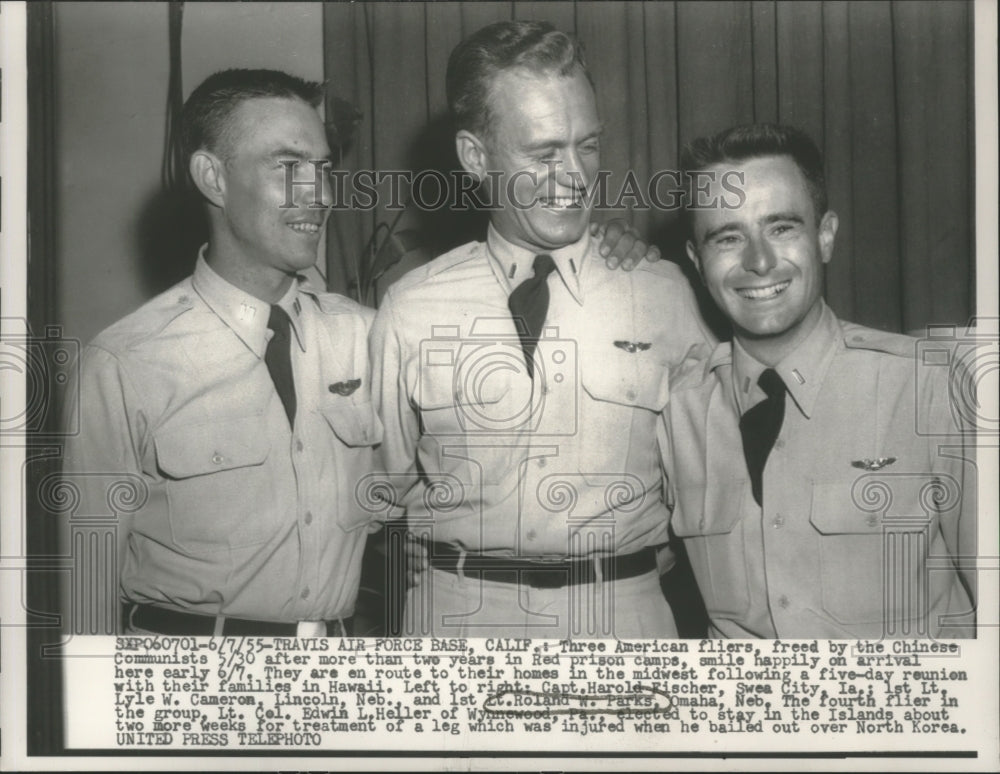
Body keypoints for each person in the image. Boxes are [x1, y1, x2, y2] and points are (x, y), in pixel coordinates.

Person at [59, 67, 652, 637]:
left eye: (321, 167)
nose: (318, 192)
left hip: (336, 675)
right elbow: (80, 594)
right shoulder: (124, 365)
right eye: (287, 166)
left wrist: (596, 245)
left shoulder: (375, 335)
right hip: (182, 682)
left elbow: (444, 473)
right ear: (212, 177)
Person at [370, 20, 713, 639]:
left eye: (588, 145)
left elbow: (709, 489)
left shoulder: (660, 295)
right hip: (456, 624)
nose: (575, 176)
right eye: (544, 152)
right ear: (475, 157)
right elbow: (382, 492)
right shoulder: (410, 308)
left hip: (622, 621)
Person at [665, 123, 976, 638]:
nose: (759, 261)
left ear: (825, 236)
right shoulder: (676, 413)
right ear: (697, 262)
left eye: (782, 228)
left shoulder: (926, 386)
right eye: (728, 236)